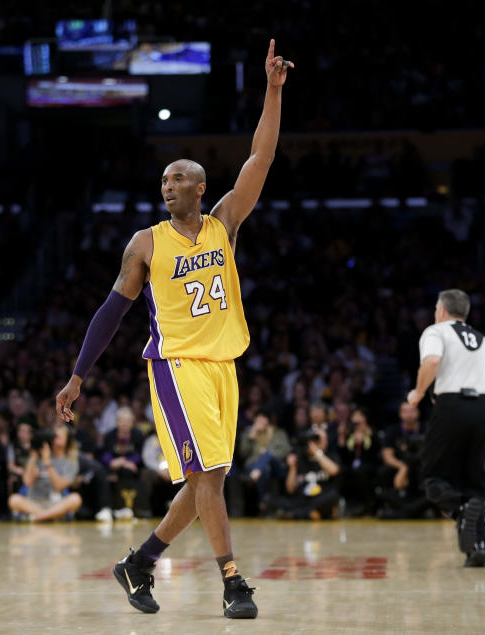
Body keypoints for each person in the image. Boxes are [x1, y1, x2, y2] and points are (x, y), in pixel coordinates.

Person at [56, 39, 293, 619]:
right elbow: (111, 311)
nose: (166, 187)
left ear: (199, 187)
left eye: (177, 180)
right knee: (208, 477)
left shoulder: (224, 224)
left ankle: (139, 563)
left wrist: (272, 90)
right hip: (176, 366)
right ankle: (233, 580)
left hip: (223, 366)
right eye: (162, 181)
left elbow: (260, 159)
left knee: (203, 483)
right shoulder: (145, 243)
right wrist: (77, 375)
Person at [407, 289, 485, 567]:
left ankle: (460, 509)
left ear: (442, 310)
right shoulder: (481, 339)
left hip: (453, 406)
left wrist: (419, 393)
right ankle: (476, 548)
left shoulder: (436, 331)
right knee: (473, 480)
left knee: (433, 477)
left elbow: (432, 362)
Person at [8, 427, 82, 522]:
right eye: (54, 436)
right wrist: (33, 456)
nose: (55, 439)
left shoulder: (70, 461)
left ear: (67, 440)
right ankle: (51, 516)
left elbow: (59, 486)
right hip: (34, 502)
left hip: (55, 503)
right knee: (14, 500)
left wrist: (47, 463)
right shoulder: (39, 456)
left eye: (59, 437)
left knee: (75, 499)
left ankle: (40, 517)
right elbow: (27, 481)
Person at [377, 402, 429, 518]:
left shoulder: (428, 429)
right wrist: (402, 466)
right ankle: (415, 511)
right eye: (405, 411)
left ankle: (401, 513)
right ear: (400, 414)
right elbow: (387, 455)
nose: (409, 414)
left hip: (422, 469)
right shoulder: (393, 430)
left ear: (418, 412)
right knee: (384, 474)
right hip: (400, 468)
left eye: (412, 411)